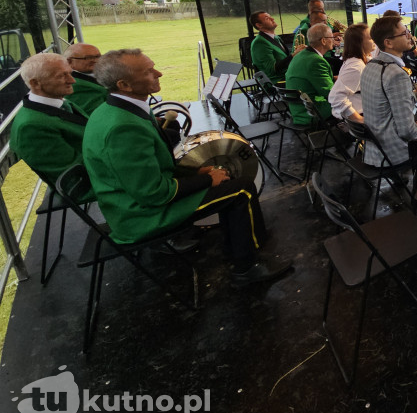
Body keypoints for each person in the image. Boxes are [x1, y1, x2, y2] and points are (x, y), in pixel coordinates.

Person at [83, 49, 290, 285]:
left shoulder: (119, 109)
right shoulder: (122, 128)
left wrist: (196, 172)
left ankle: (242, 245)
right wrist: (206, 180)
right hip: (140, 215)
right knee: (241, 190)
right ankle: (246, 268)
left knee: (230, 181)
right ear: (124, 85)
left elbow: (156, 166)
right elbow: (152, 193)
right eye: (148, 72)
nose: (159, 73)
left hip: (136, 201)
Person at [360, 16, 417, 167]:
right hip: (395, 152)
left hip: (375, 151)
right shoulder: (396, 74)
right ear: (388, 43)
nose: (410, 36)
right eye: (404, 33)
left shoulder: (371, 65)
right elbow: (406, 131)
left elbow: (388, 104)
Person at [10, 53, 87, 182]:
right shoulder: (31, 127)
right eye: (61, 76)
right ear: (35, 83)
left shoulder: (58, 101)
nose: (72, 80)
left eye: (69, 73)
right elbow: (74, 177)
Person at [284, 23, 336, 126]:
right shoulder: (315, 61)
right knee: (356, 101)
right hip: (310, 112)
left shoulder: (301, 55)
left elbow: (311, 80)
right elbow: (330, 93)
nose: (333, 40)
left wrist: (336, 79)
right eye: (332, 37)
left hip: (298, 109)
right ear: (323, 41)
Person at [328, 23, 372, 123]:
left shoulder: (357, 61)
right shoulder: (356, 67)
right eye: (370, 38)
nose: (374, 41)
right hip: (358, 118)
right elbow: (335, 97)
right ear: (359, 43)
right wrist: (358, 118)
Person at [249, 11, 305, 82]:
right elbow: (272, 70)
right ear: (259, 25)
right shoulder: (259, 43)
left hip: (288, 75)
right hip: (277, 81)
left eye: (270, 16)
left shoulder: (276, 37)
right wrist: (294, 55)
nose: (272, 19)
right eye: (267, 18)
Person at [64, 42, 107, 115]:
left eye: (98, 56)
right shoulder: (76, 85)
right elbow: (94, 114)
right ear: (69, 61)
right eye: (88, 58)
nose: (95, 60)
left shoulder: (94, 74)